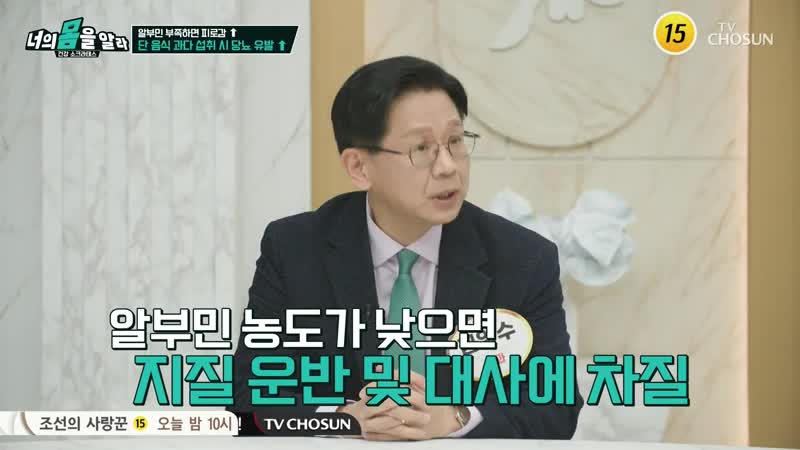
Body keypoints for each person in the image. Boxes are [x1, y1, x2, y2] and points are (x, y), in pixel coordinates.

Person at [230, 55, 583, 440]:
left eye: (455, 141)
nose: (448, 166)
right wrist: (341, 418)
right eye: (422, 148)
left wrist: (454, 417)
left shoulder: (523, 258)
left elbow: (558, 406)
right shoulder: (295, 249)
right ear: (359, 167)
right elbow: (245, 400)